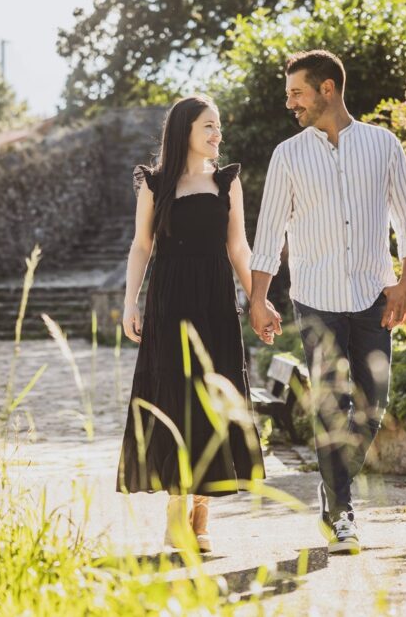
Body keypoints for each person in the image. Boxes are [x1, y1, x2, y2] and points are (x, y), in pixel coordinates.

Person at [249, 50, 406, 555]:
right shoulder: (288, 155)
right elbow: (268, 236)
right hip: (316, 299)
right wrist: (259, 300)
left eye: (296, 93)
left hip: (374, 295)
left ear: (327, 89)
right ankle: (343, 512)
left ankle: (332, 493)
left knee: (373, 404)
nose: (291, 104)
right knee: (332, 405)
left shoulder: (382, 145)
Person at [117, 95, 270, 553]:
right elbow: (141, 246)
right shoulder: (156, 183)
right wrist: (130, 303)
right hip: (169, 304)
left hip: (216, 305)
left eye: (218, 126)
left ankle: (201, 512)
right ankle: (175, 509)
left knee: (213, 403)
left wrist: (259, 301)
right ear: (184, 130)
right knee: (174, 399)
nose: (216, 134)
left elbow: (240, 248)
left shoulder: (227, 183)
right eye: (208, 126)